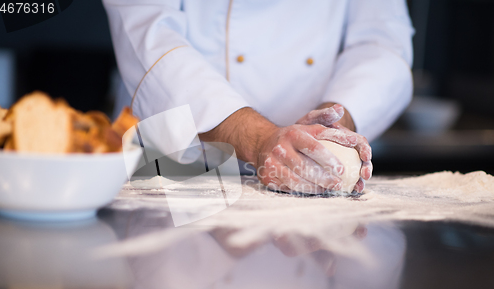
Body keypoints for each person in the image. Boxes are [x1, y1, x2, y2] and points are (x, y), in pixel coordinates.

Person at [103, 0, 414, 194]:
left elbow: (382, 44)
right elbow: (149, 36)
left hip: (311, 185)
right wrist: (259, 139)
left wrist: (330, 129)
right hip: (173, 171)